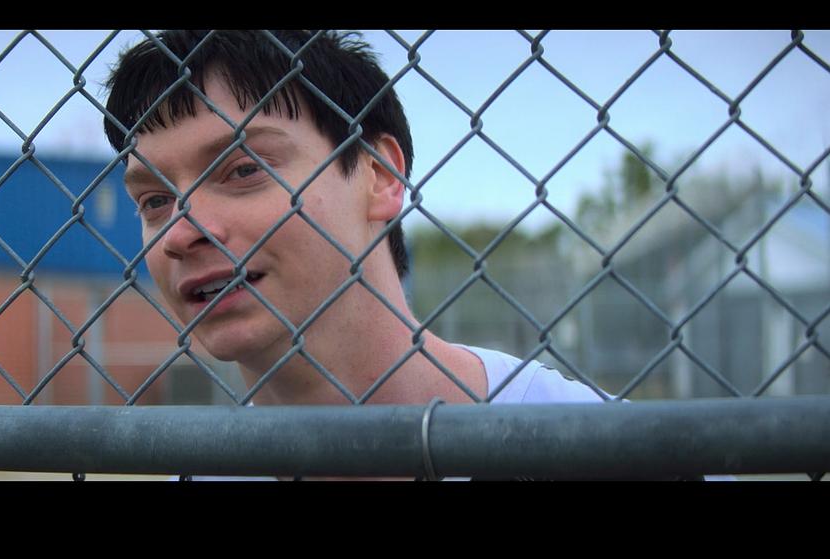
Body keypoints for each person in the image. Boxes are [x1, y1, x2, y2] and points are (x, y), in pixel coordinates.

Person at [103, 30, 605, 411]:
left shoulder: (599, 451)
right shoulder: (201, 469)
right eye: (154, 200)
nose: (180, 233)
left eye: (244, 170)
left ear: (379, 176)